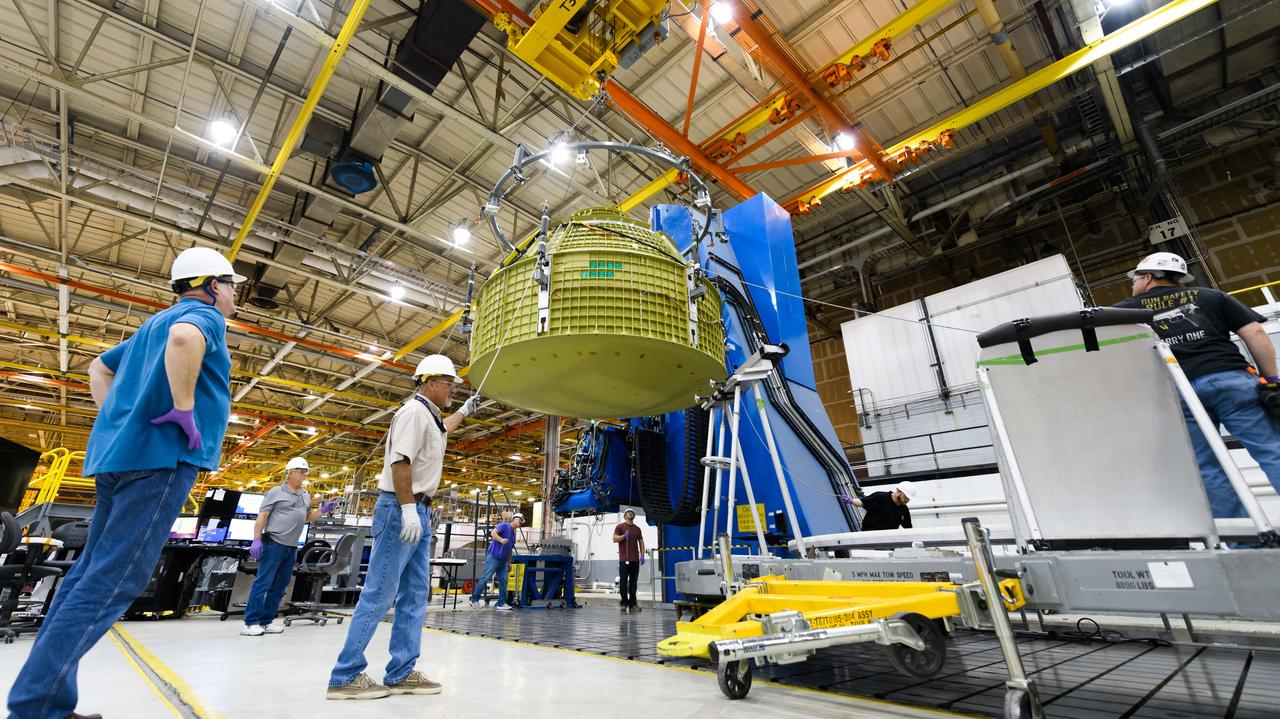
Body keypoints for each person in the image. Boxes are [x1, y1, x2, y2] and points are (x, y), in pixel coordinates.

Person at [8, 247, 243, 719]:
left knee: (88, 575)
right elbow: (184, 339)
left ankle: (47, 701)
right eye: (233, 284)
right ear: (213, 285)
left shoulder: (148, 326)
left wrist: (120, 418)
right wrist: (180, 407)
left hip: (120, 457)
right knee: (118, 577)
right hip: (160, 458)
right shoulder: (201, 315)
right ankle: (34, 709)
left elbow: (99, 366)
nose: (236, 294)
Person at [326, 356, 478, 701]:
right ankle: (345, 675)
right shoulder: (412, 413)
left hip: (420, 512)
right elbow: (400, 461)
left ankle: (401, 671)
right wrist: (408, 509)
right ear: (429, 382)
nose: (453, 388)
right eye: (449, 383)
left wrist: (466, 410)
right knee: (380, 593)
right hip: (401, 510)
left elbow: (443, 431)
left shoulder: (430, 416)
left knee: (413, 595)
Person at [1113, 252, 1280, 517]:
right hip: (1231, 380)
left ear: (1147, 278)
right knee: (1272, 450)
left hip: (1179, 392)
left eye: (1134, 280)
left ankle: (1242, 543)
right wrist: (1271, 381)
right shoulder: (1210, 296)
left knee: (1206, 466)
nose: (1132, 286)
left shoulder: (1122, 312)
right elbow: (1255, 332)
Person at [240, 456, 337, 636]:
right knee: (263, 583)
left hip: (291, 547)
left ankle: (266, 621)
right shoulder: (276, 492)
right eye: (301, 472)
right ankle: (250, 622)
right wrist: (256, 539)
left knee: (279, 586)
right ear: (290, 473)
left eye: (306, 472)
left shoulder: (305, 495)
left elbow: (307, 518)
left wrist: (323, 510)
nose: (304, 475)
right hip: (274, 543)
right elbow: (262, 517)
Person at [467, 512, 525, 610]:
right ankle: (474, 600)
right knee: (486, 578)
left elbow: (509, 550)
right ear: (514, 519)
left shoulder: (513, 535)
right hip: (493, 557)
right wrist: (501, 540)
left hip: (503, 561)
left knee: (504, 581)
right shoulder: (504, 525)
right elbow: (493, 533)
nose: (521, 523)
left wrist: (509, 563)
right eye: (520, 520)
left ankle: (501, 603)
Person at [840, 481, 914, 531]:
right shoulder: (880, 497)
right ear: (898, 491)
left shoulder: (904, 509)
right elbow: (862, 502)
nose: (907, 501)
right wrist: (851, 501)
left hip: (888, 542)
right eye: (906, 497)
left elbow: (908, 527)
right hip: (869, 537)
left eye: (909, 499)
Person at [613, 509, 645, 613]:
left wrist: (642, 555)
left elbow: (641, 541)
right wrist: (623, 536)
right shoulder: (620, 527)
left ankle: (633, 604)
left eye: (632, 513)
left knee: (633, 583)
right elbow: (614, 539)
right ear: (625, 516)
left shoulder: (637, 529)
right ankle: (624, 603)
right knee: (623, 582)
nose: (630, 513)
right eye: (628, 513)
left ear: (634, 516)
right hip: (624, 560)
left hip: (635, 560)